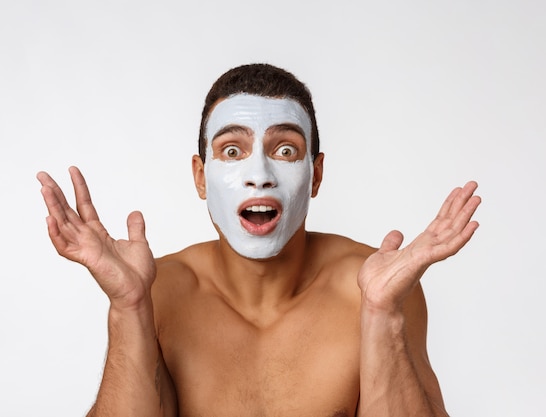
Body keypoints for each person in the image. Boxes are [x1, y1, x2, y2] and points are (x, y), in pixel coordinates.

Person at [37, 63, 481, 417]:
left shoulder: (374, 287)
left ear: (316, 174)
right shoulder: (158, 291)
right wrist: (128, 308)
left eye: (285, 150)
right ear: (200, 176)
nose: (260, 177)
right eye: (232, 151)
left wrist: (383, 315)